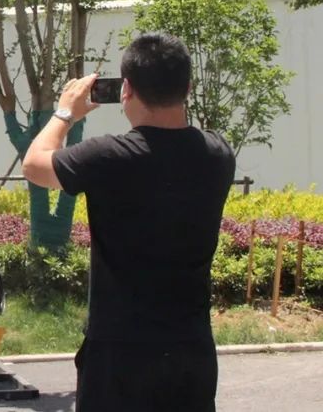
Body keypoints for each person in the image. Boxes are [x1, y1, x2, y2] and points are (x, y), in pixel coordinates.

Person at [21, 32, 235, 412]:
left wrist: (65, 112)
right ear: (187, 88)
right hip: (191, 350)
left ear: (126, 89)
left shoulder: (108, 157)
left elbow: (35, 165)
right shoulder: (218, 154)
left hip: (119, 354)